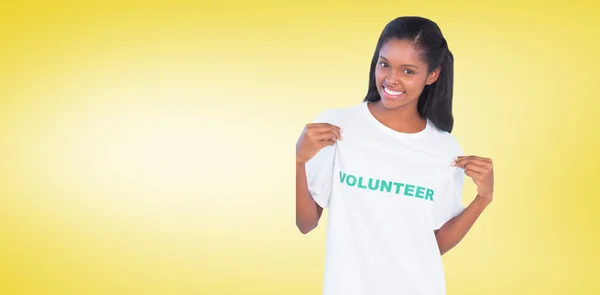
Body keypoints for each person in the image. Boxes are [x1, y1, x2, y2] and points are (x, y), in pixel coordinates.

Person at [295, 16, 495, 295]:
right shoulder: (338, 128)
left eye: (408, 71)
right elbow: (306, 224)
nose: (391, 79)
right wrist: (300, 161)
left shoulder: (445, 148)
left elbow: (433, 244)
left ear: (433, 75)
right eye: (384, 64)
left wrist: (483, 198)